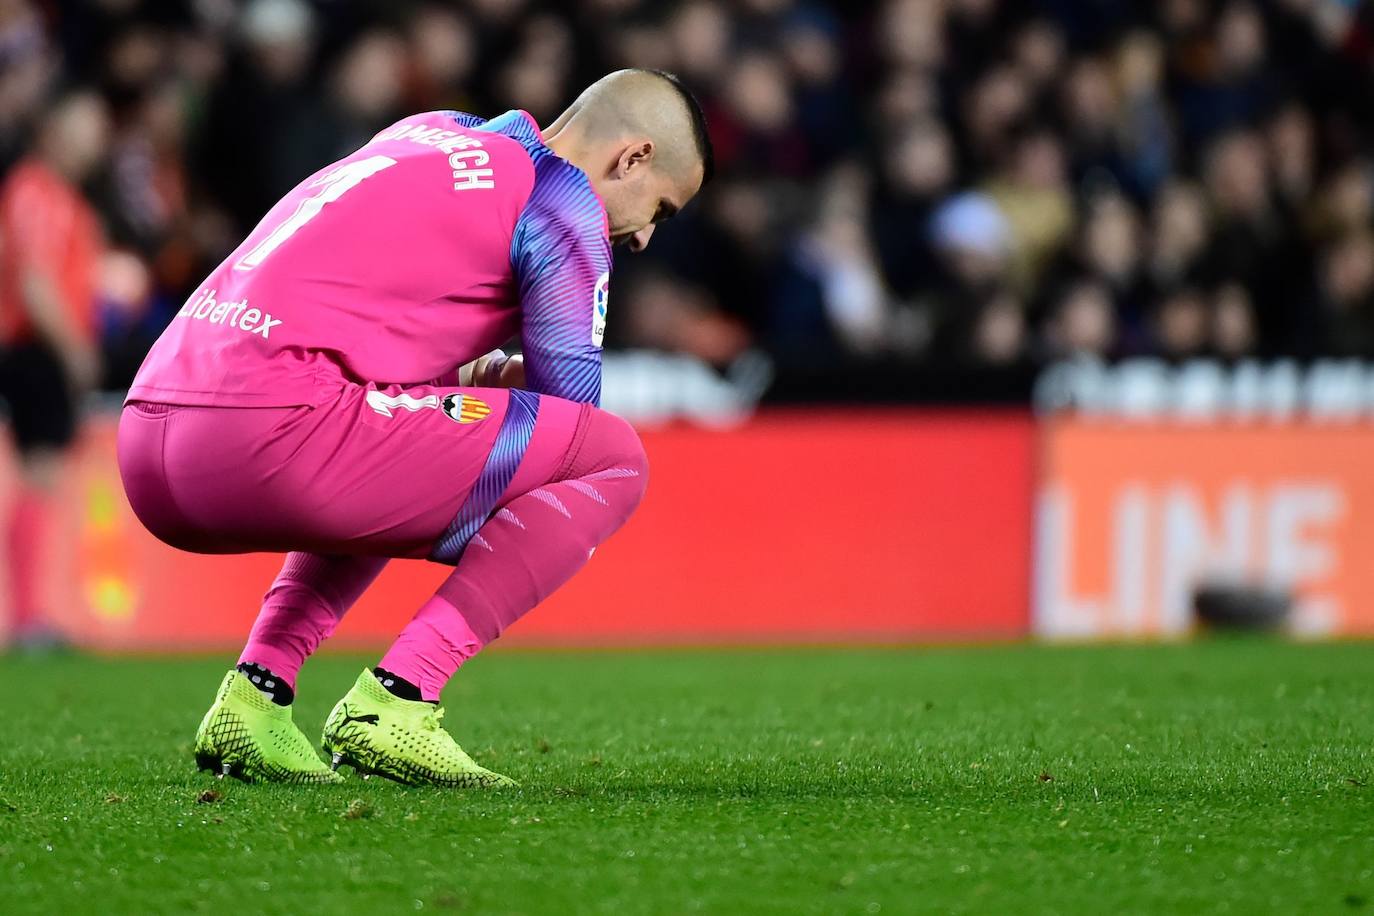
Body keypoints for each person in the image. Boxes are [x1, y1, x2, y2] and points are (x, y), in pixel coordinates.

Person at [117, 69, 712, 786]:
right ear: (634, 158)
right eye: (662, 210)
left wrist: (472, 387)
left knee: (405, 412)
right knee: (613, 458)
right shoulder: (562, 203)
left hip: (149, 430)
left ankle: (255, 698)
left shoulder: (429, 131)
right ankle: (400, 698)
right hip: (261, 438)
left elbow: (374, 339)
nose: (645, 236)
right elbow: (570, 418)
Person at [0, 90, 108, 650]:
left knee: (44, 479)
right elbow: (34, 281)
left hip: (45, 347)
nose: (93, 138)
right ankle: (27, 620)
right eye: (83, 124)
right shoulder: (35, 190)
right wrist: (73, 349)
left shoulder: (63, 198)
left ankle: (32, 616)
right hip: (36, 349)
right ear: (53, 129)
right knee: (40, 475)